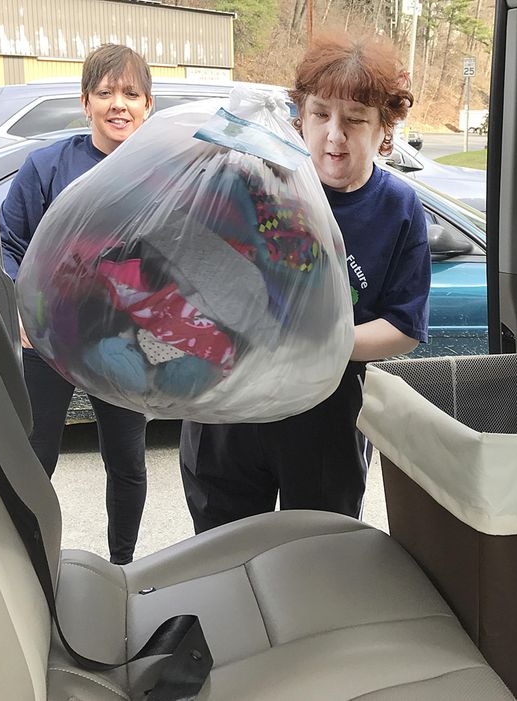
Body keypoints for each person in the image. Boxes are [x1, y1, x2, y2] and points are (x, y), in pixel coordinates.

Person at [178, 32, 431, 533]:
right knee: (221, 555)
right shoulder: (259, 180)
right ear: (300, 116)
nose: (334, 135)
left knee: (317, 558)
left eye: (355, 119)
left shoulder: (397, 209)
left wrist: (315, 343)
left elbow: (403, 327)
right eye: (320, 115)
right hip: (228, 405)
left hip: (325, 417)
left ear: (384, 129)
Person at [0, 44, 153, 565]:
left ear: (147, 105)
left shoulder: (164, 173)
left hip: (124, 343)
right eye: (105, 92)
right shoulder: (47, 166)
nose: (119, 104)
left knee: (127, 462)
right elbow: (8, 243)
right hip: (50, 337)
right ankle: (28, 562)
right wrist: (23, 305)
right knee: (36, 457)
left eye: (131, 93)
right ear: (85, 102)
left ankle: (123, 566)